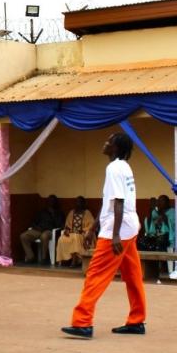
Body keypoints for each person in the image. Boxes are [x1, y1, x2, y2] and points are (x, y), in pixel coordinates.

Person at [62, 132, 146, 339]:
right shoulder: (124, 167)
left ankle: (82, 322)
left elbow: (118, 201)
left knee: (96, 274)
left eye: (109, 141)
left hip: (118, 231)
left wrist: (115, 234)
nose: (104, 143)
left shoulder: (114, 167)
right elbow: (109, 201)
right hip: (129, 227)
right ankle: (137, 320)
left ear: (116, 147)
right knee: (133, 275)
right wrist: (93, 228)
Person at [18, 195, 64, 264]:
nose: (51, 203)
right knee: (23, 236)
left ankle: (43, 258)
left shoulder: (59, 213)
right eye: (49, 201)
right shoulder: (42, 212)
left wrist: (53, 215)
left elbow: (59, 225)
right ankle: (30, 256)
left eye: (52, 201)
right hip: (38, 230)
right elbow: (33, 222)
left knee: (44, 236)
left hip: (49, 231)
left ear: (55, 203)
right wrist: (36, 227)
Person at [56, 196, 95, 267]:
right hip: (72, 232)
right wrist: (67, 230)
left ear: (83, 204)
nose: (78, 204)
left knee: (75, 238)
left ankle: (75, 261)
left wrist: (82, 230)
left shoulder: (87, 213)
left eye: (80, 202)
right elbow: (67, 224)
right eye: (77, 202)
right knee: (61, 239)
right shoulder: (72, 212)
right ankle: (65, 260)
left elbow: (91, 225)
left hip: (82, 234)